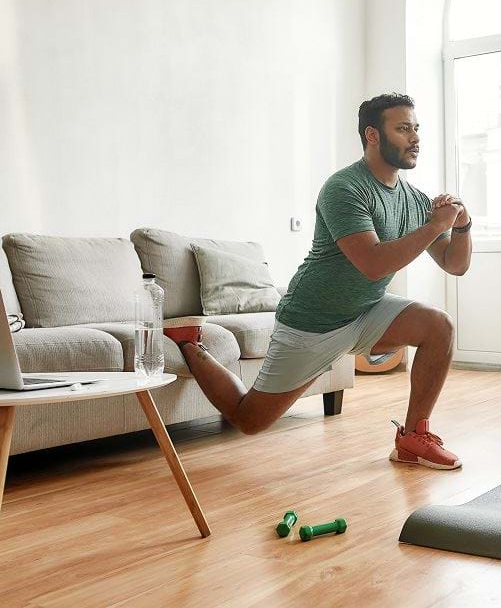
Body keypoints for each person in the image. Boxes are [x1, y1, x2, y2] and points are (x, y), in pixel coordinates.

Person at [165, 93, 472, 469]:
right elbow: (372, 264)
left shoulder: (414, 199)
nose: (415, 138)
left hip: (366, 310)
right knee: (249, 420)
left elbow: (455, 265)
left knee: (439, 326)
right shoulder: (344, 188)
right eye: (404, 128)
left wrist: (462, 226)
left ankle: (412, 439)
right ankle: (191, 346)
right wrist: (435, 224)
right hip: (313, 320)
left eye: (416, 128)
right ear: (373, 135)